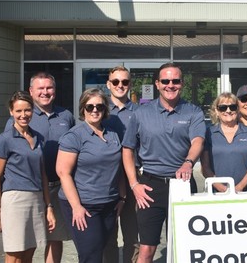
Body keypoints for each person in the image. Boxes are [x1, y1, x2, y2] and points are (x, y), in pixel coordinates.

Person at [122, 63, 206, 263]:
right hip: (151, 186)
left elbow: (198, 141)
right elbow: (127, 149)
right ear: (157, 84)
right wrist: (134, 184)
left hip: (183, 184)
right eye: (166, 81)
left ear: (182, 84)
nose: (171, 85)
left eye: (175, 81)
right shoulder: (141, 113)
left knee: (184, 247)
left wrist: (188, 163)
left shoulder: (193, 112)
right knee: (147, 249)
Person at [4, 72, 75, 263]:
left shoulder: (66, 116)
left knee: (55, 238)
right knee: (26, 242)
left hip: (59, 187)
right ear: (31, 91)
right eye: (40, 88)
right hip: (31, 190)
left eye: (49, 88)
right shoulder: (22, 116)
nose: (45, 92)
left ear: (55, 90)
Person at [56, 88, 125, 263]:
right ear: (82, 109)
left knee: (102, 248)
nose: (95, 110)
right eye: (90, 107)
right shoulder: (74, 136)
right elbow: (63, 173)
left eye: (99, 107)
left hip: (109, 203)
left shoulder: (114, 135)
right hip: (84, 206)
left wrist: (122, 197)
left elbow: (120, 167)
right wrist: (76, 207)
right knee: (91, 255)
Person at [0, 91, 56, 263]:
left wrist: (48, 206)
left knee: (30, 250)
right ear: (11, 112)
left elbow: (43, 175)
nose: (23, 115)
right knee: (15, 253)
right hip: (15, 200)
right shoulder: (4, 140)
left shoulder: (37, 137)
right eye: (18, 111)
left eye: (27, 110)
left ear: (32, 111)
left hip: (36, 200)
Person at [102, 66, 139, 263]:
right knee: (108, 233)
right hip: (108, 177)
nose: (120, 85)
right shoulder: (99, 110)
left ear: (130, 84)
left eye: (124, 82)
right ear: (108, 84)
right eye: (115, 82)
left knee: (132, 232)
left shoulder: (140, 112)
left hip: (133, 177)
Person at [201, 92, 247, 192]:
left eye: (232, 107)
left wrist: (238, 188)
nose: (228, 111)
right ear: (216, 111)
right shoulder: (208, 134)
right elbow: (205, 168)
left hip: (245, 193)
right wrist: (223, 189)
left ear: (237, 109)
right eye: (223, 108)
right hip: (216, 194)